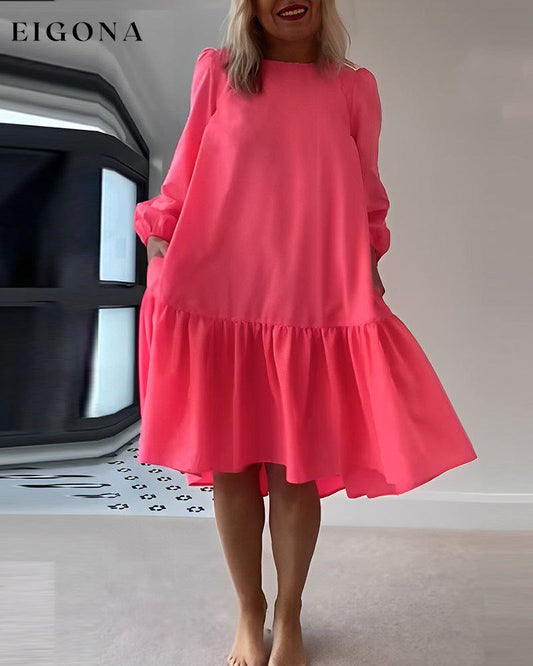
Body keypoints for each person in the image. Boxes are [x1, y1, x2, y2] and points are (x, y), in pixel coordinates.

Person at [134, 1, 478, 664]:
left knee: (296, 472)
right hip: (220, 292)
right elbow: (185, 172)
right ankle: (249, 611)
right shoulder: (217, 74)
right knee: (232, 467)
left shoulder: (352, 87)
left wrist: (368, 264)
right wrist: (158, 237)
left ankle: (288, 615)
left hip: (311, 296)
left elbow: (367, 192)